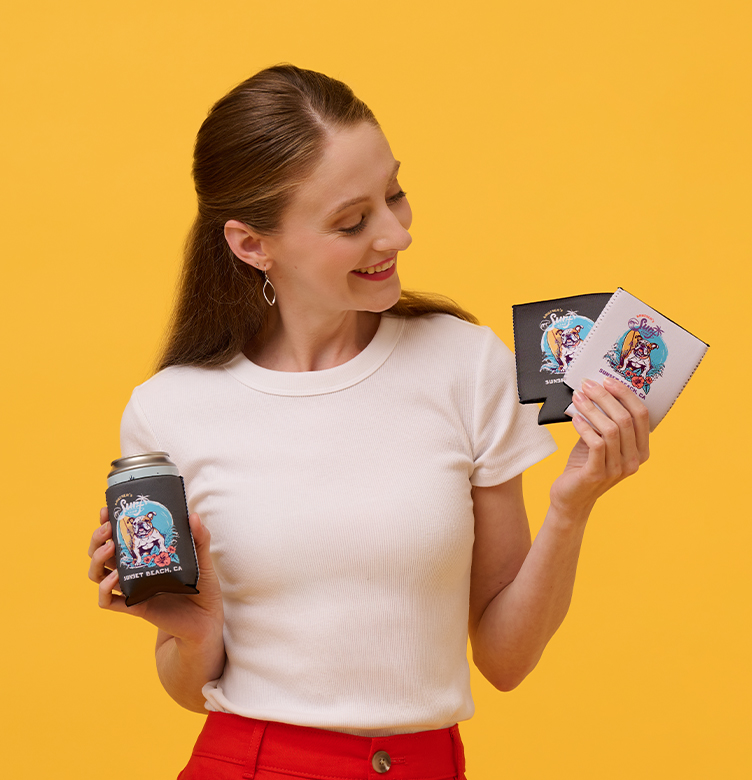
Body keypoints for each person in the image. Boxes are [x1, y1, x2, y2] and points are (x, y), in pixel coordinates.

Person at [88, 64, 650, 780]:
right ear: (252, 244)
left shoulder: (466, 364)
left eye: (395, 194)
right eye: (353, 222)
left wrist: (572, 505)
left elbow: (505, 663)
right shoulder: (170, 409)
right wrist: (196, 633)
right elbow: (189, 689)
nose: (396, 235)